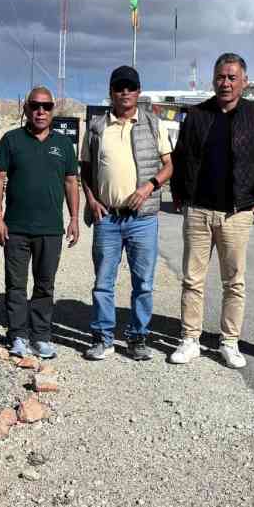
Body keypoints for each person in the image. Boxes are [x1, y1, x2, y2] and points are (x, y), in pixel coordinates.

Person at [168, 53, 254, 369]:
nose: (225, 83)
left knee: (234, 281)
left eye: (232, 77)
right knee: (193, 279)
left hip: (237, 213)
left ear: (244, 81)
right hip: (199, 211)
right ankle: (190, 339)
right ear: (213, 79)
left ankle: (229, 342)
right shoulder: (197, 115)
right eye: (220, 77)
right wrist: (178, 192)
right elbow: (180, 156)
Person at [79, 65, 173, 361]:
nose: (124, 92)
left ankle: (137, 338)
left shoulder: (153, 124)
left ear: (138, 92)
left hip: (142, 220)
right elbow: (85, 170)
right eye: (119, 87)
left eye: (130, 87)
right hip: (107, 218)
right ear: (111, 92)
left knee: (143, 283)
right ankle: (103, 338)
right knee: (103, 282)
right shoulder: (96, 127)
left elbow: (169, 165)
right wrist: (92, 200)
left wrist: (148, 187)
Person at [0, 86, 80, 359]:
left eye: (47, 106)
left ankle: (40, 336)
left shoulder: (64, 145)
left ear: (53, 110)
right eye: (35, 105)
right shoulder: (11, 140)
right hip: (16, 227)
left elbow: (71, 182)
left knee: (44, 285)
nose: (41, 111)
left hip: (50, 230)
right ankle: (17, 335)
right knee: (16, 285)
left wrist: (74, 218)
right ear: (26, 108)